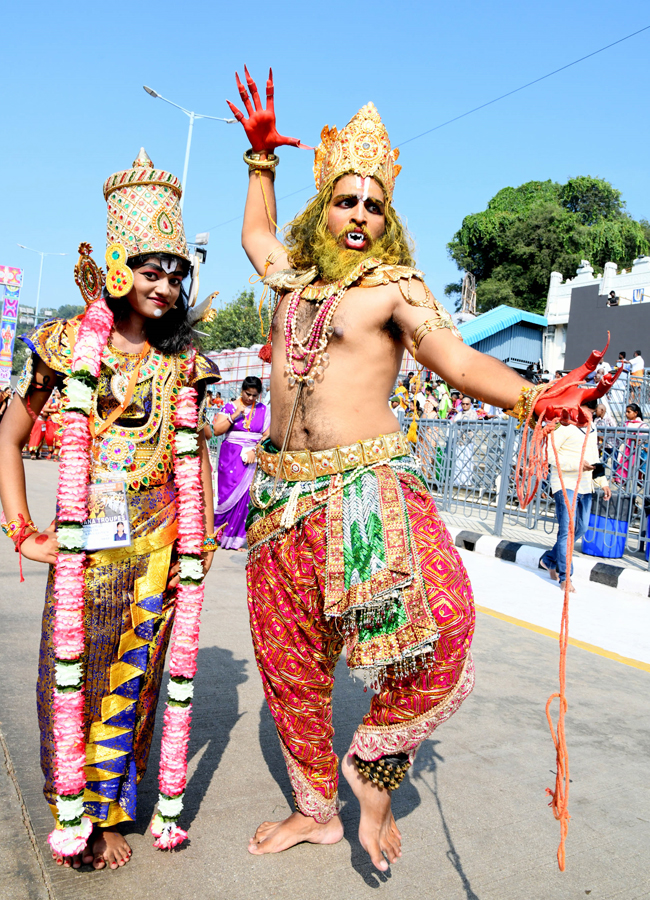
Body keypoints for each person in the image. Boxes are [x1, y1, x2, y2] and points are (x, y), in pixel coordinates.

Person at [227, 69, 615, 871]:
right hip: (278, 501)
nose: (361, 215)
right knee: (288, 663)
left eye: (374, 204)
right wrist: (258, 163)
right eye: (347, 200)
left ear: (388, 216)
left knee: (445, 624)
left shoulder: (396, 288)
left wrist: (535, 396)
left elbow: (460, 361)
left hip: (366, 491)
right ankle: (316, 813)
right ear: (323, 206)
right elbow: (256, 238)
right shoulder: (290, 278)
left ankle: (371, 770)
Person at [0, 150, 220, 870]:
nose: (164, 286)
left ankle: (108, 812)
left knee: (139, 676)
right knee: (71, 672)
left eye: (176, 272)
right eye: (151, 270)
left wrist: (204, 531)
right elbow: (8, 430)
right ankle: (74, 813)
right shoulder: (65, 345)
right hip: (86, 537)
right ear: (120, 266)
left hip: (159, 541)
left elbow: (195, 455)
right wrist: (21, 530)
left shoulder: (183, 360)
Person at [540, 399, 611, 591]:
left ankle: (549, 559)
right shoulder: (564, 427)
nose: (588, 415)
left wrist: (602, 482)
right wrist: (577, 465)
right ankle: (565, 577)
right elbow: (552, 456)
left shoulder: (592, 428)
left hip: (586, 485)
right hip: (566, 484)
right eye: (586, 411)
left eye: (591, 412)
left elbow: (595, 457)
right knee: (568, 530)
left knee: (581, 527)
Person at [211, 376, 270, 550]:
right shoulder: (229, 406)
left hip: (251, 456)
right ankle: (215, 535)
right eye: (247, 394)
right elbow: (216, 430)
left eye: (254, 395)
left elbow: (266, 434)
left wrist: (255, 451)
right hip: (230, 457)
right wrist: (234, 416)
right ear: (241, 390)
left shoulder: (263, 409)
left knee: (245, 498)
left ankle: (235, 540)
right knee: (225, 496)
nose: (250, 398)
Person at [615, 403, 647, 485]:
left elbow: (646, 438)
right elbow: (621, 435)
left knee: (634, 470)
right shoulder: (626, 424)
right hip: (624, 450)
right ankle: (621, 482)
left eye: (629, 412)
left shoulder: (642, 425)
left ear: (636, 413)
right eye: (626, 412)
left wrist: (637, 438)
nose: (626, 414)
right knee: (622, 465)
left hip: (636, 451)